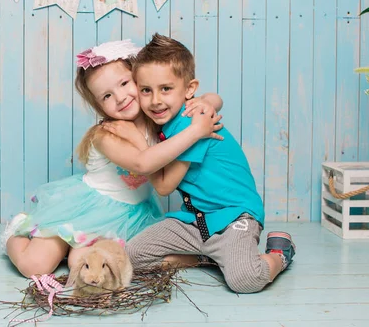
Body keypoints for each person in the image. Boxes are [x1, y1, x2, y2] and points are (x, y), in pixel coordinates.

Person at [1, 39, 224, 278]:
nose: (120, 97)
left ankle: (207, 254)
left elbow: (213, 97)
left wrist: (206, 103)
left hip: (130, 215)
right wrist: (196, 130)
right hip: (85, 208)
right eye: (107, 96)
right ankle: (16, 233)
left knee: (91, 263)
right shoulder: (107, 135)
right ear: (99, 106)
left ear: (140, 79)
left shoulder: (159, 114)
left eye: (125, 83)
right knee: (35, 266)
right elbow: (142, 163)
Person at [105, 34, 295, 294]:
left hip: (233, 216)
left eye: (166, 89)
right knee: (134, 256)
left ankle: (279, 253)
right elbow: (213, 98)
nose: (156, 100)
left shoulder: (193, 125)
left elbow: (164, 186)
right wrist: (211, 99)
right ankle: (208, 257)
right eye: (146, 90)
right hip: (197, 221)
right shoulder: (171, 121)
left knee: (245, 280)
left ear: (189, 89)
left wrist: (141, 142)